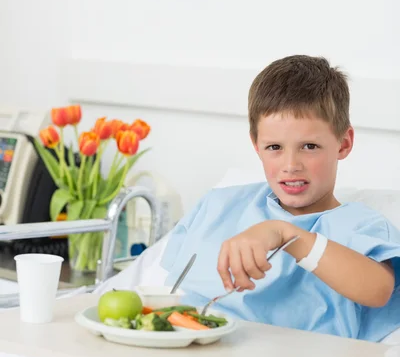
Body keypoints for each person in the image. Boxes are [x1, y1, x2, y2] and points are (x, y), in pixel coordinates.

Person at [101, 55, 400, 342]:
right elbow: (171, 289)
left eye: (309, 146)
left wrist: (287, 235)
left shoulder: (361, 226)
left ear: (343, 144)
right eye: (274, 147)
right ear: (255, 144)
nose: (290, 164)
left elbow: (378, 290)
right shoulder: (219, 205)